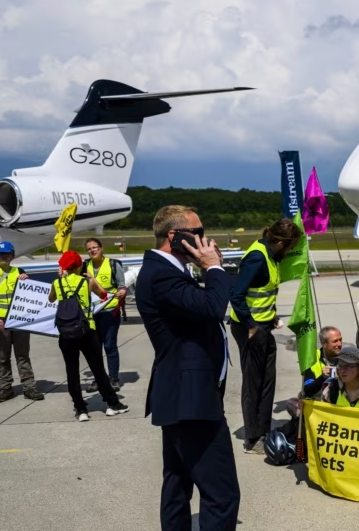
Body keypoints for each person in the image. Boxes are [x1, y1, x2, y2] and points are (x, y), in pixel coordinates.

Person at [136, 205, 240, 531]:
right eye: (197, 233)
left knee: (178, 484)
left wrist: (203, 269)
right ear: (173, 236)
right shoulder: (161, 274)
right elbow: (212, 307)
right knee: (221, 493)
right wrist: (214, 268)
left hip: (181, 395)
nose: (204, 239)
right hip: (191, 401)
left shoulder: (169, 271)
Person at [228, 218, 303, 455]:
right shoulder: (257, 257)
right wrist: (251, 326)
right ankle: (252, 439)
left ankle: (263, 428)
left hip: (263, 326)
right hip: (249, 329)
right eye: (290, 246)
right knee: (253, 383)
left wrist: (271, 317)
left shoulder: (271, 256)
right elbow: (237, 296)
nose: (291, 251)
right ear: (280, 242)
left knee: (268, 381)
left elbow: (260, 294)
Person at [48, 251, 129, 422]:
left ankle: (81, 409)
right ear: (79, 266)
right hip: (87, 331)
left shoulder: (57, 283)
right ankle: (112, 404)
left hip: (65, 333)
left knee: (72, 371)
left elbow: (51, 298)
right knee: (98, 370)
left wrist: (61, 279)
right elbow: (103, 295)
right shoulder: (87, 282)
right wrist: (92, 277)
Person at [0, 241, 43, 403]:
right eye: (0, 254)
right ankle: (5, 388)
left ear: (12, 256)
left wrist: (26, 281)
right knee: (3, 357)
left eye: (6, 254)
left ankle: (29, 388)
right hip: (0, 321)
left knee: (23, 356)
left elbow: (30, 296)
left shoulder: (19, 271)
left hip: (19, 320)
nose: (3, 256)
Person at [83, 237, 127, 392]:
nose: (93, 250)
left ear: (101, 248)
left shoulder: (113, 264)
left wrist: (122, 292)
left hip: (109, 311)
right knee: (95, 348)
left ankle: (113, 378)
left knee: (109, 346)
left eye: (95, 247)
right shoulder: (84, 266)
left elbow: (122, 286)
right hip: (91, 313)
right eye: (89, 249)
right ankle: (99, 379)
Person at [285, 326, 343, 419]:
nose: (339, 344)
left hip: (340, 405)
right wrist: (322, 378)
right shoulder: (311, 359)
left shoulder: (347, 358)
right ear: (324, 344)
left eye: (340, 340)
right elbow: (307, 390)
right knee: (292, 403)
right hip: (317, 405)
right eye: (335, 341)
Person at [316, 345, 359, 411]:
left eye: (347, 366)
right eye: (340, 366)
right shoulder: (330, 389)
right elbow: (322, 417)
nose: (342, 370)